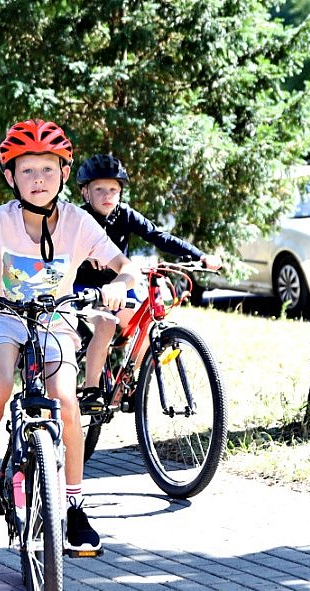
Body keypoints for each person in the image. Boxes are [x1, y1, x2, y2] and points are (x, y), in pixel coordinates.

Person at [0, 119, 141, 553]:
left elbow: (125, 264)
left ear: (65, 174)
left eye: (48, 169)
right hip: (4, 316)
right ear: (11, 177)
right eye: (27, 170)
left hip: (56, 319)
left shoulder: (79, 223)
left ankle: (75, 504)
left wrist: (122, 282)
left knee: (65, 399)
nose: (38, 179)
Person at [72, 154, 222, 413]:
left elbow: (158, 236)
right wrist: (86, 257)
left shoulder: (125, 215)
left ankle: (130, 380)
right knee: (106, 325)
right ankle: (92, 390)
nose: (108, 195)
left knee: (147, 321)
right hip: (84, 289)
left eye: (114, 189)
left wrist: (200, 256)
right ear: (85, 193)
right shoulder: (77, 218)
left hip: (119, 286)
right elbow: (62, 250)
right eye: (99, 189)